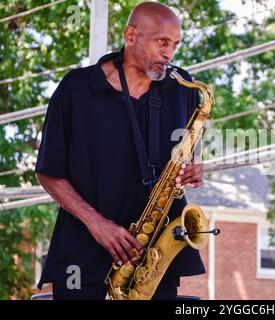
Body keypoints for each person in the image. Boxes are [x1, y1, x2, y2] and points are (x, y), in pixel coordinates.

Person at [35, 2, 205, 300]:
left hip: (153, 253)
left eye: (176, 44)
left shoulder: (183, 88)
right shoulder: (76, 88)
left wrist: (195, 167)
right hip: (84, 250)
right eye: (162, 42)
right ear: (131, 35)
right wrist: (97, 224)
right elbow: (49, 173)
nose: (170, 53)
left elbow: (186, 152)